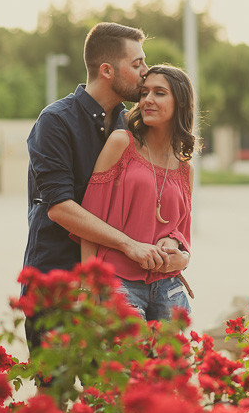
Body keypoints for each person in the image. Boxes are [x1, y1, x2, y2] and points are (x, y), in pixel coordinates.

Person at [22, 23, 188, 349]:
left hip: (118, 286)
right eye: (137, 63)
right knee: (56, 392)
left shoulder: (133, 127)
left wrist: (173, 245)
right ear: (108, 70)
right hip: (58, 277)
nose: (145, 72)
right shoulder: (55, 121)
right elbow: (59, 208)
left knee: (111, 393)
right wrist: (129, 245)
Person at [78, 65, 197, 321]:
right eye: (144, 93)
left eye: (159, 93)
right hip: (119, 284)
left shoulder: (186, 170)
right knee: (129, 360)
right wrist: (87, 287)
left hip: (170, 288)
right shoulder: (121, 143)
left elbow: (183, 233)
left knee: (173, 362)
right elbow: (89, 218)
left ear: (181, 103)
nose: (147, 100)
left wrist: (179, 252)